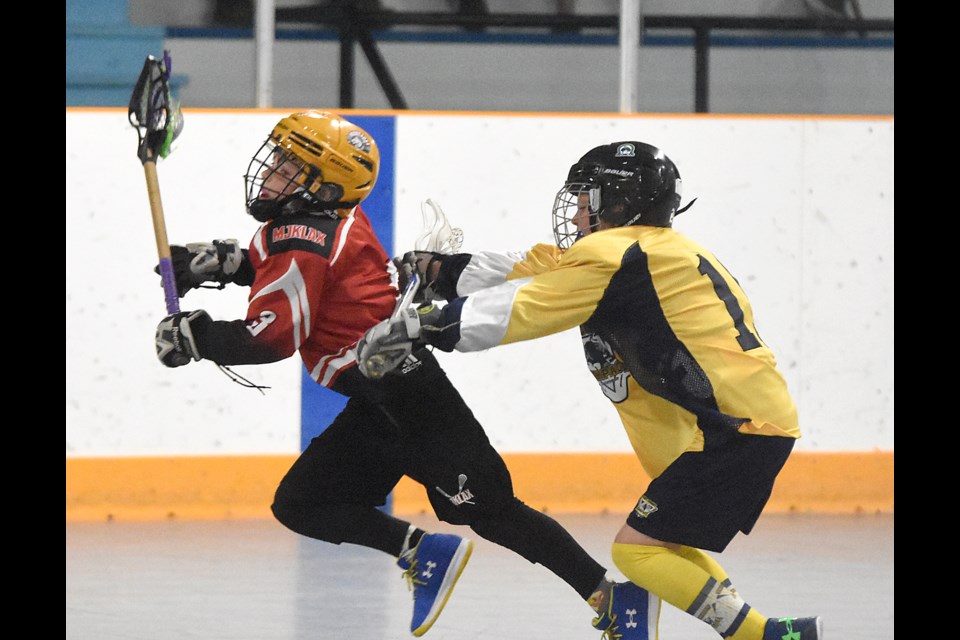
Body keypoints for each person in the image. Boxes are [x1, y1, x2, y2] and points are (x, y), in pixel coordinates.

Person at [152, 111, 660, 639]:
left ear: (321, 184)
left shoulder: (303, 238)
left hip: (405, 393)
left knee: (492, 512)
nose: (272, 171)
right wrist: (222, 263)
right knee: (302, 503)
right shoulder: (322, 221)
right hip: (381, 396)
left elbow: (273, 335)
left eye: (287, 164)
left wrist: (197, 336)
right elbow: (283, 264)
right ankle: (423, 552)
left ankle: (617, 600)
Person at [358, 141, 824, 640]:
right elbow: (533, 266)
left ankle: (764, 636)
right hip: (732, 423)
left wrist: (428, 324)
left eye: (588, 198)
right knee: (661, 542)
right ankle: (768, 634)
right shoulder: (646, 251)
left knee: (635, 550)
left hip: (735, 429)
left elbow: (528, 305)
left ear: (621, 203)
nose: (577, 211)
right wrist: (441, 272)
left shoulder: (616, 256)